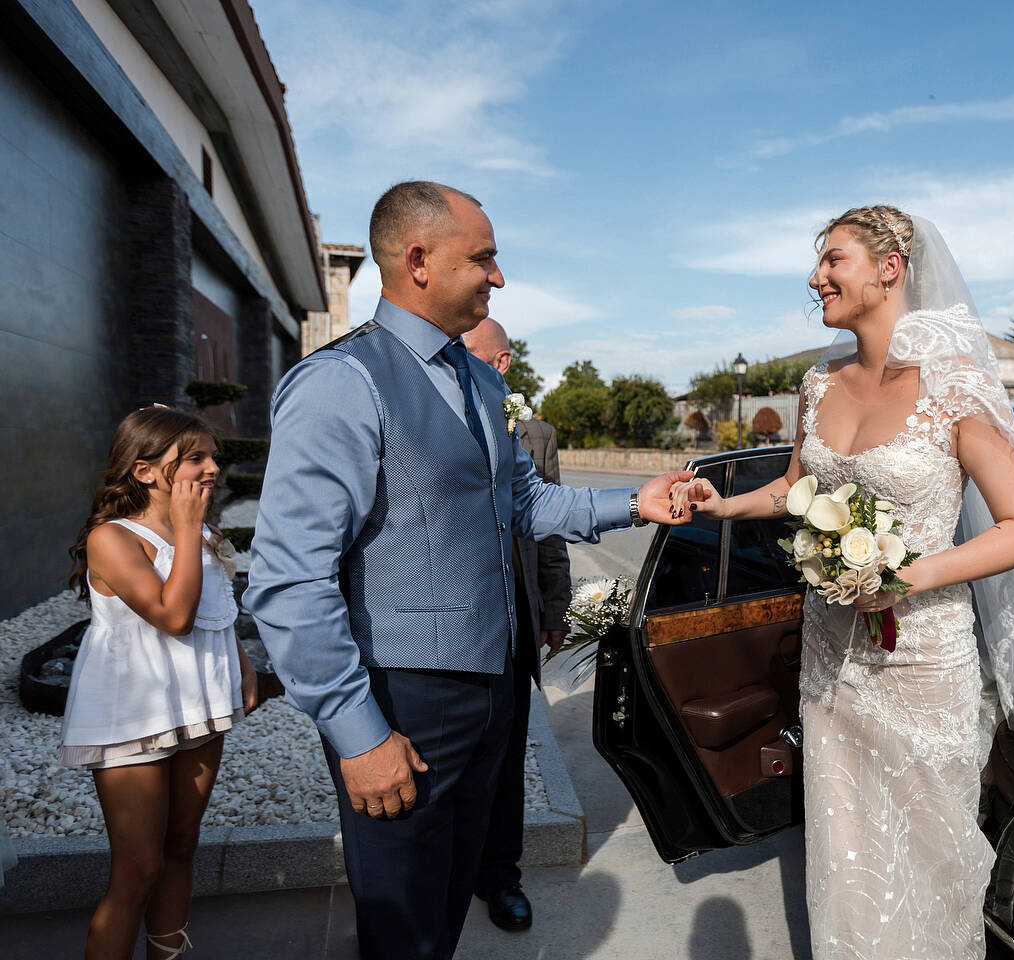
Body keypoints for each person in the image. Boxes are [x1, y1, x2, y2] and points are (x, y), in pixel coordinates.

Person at [245, 180, 690, 960]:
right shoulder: (340, 385)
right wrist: (358, 735)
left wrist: (635, 503)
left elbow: (522, 503)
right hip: (402, 698)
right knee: (404, 924)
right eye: (483, 257)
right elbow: (289, 583)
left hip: (491, 687)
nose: (499, 276)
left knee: (446, 906)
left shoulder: (480, 379)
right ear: (419, 260)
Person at [670, 206, 1014, 959]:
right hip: (831, 658)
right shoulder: (818, 383)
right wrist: (725, 507)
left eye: (833, 260)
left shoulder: (955, 388)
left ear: (889, 267)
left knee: (928, 854)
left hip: (920, 659)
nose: (817, 278)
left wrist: (908, 574)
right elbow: (795, 489)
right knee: (846, 849)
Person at [60, 406, 259, 960]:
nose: (212, 467)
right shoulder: (112, 539)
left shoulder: (204, 534)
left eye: (212, 455)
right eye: (194, 457)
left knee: (180, 846)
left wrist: (240, 666)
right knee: (138, 868)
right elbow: (173, 616)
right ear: (144, 471)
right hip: (134, 714)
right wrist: (191, 528)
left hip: (197, 707)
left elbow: (216, 612)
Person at [462, 318, 571, 931]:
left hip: (512, 626)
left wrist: (553, 609)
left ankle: (499, 875)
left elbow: (547, 527)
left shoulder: (536, 433)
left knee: (504, 762)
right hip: (447, 627)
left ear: (499, 365)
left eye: (469, 353)